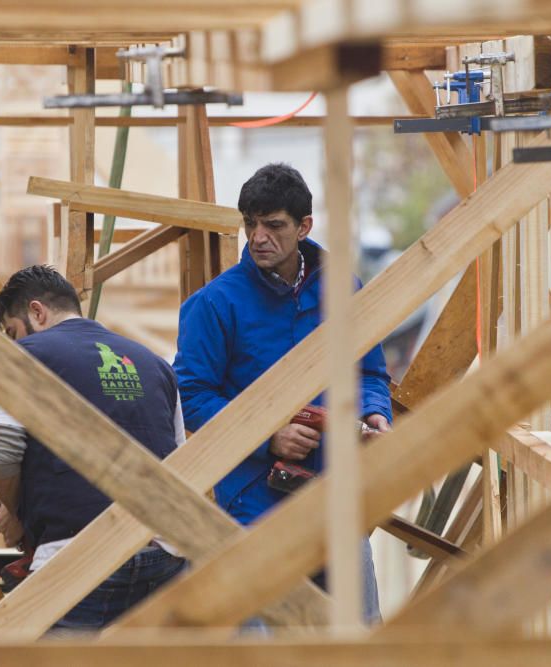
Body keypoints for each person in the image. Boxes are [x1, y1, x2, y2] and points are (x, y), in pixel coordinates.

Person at [173, 163, 392, 622]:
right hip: (253, 507)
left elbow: (369, 373)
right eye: (251, 224)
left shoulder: (342, 288)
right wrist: (268, 437)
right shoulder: (215, 304)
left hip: (334, 497)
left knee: (355, 637)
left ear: (303, 226)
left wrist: (375, 415)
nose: (258, 237)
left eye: (273, 225)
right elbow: (190, 395)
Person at [0, 265, 187, 630]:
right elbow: (182, 464)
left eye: (12, 331)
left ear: (37, 312)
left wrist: (17, 511)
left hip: (75, 558)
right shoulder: (154, 363)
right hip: (162, 556)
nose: (14, 342)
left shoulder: (26, 354)